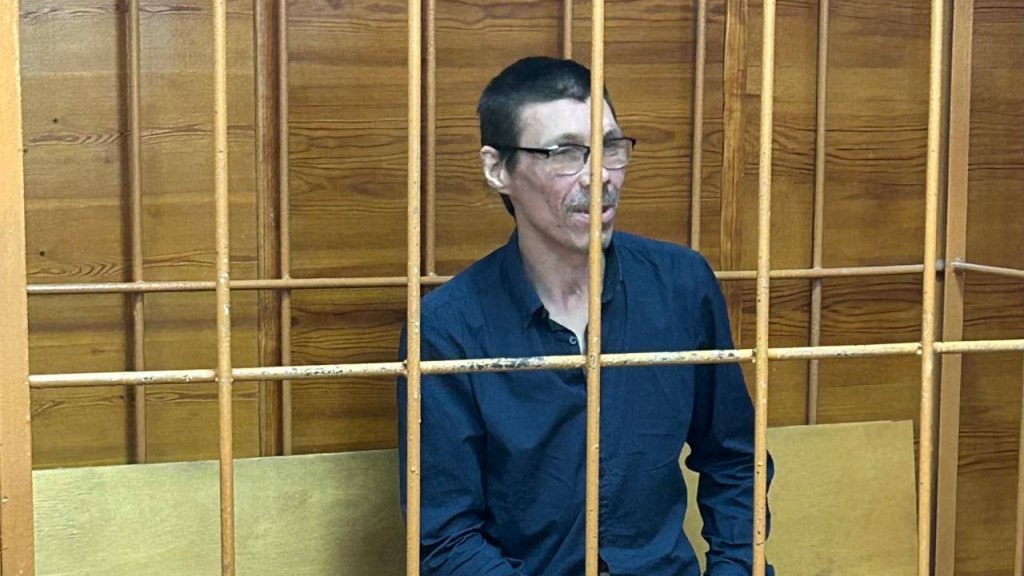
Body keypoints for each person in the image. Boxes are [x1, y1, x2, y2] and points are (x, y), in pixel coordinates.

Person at [398, 56, 774, 576]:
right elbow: (445, 536)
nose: (599, 177)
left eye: (611, 147)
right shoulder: (447, 327)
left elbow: (734, 458)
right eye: (566, 153)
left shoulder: (681, 285)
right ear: (497, 169)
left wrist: (733, 569)